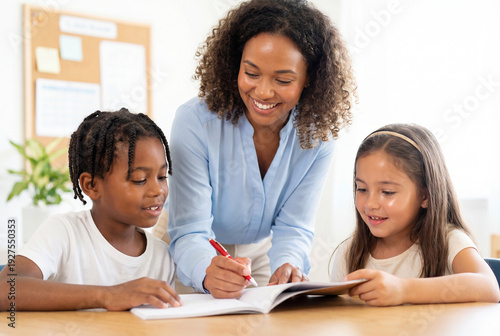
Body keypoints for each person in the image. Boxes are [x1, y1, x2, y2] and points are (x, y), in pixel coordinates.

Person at [165, 0, 356, 298]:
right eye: (251, 74)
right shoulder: (195, 122)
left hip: (259, 251)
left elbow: (294, 225)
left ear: (310, 79)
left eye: (283, 80)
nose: (264, 92)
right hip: (190, 244)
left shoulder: (317, 135)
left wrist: (289, 263)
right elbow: (190, 229)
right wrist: (205, 270)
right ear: (234, 64)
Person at [0, 109, 182, 311]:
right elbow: (5, 289)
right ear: (92, 185)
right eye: (139, 180)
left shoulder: (163, 257)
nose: (158, 190)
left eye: (162, 176)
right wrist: (108, 295)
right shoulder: (65, 232)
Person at [329, 123, 500, 306]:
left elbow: (489, 287)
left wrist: (403, 290)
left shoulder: (449, 241)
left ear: (424, 196)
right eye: (361, 188)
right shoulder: (348, 254)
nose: (370, 204)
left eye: (387, 192)